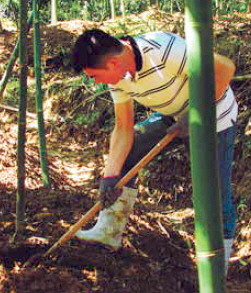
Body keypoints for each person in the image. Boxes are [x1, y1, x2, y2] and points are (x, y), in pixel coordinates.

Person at [72, 29, 238, 273]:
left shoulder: (162, 48)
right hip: (174, 116)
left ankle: (216, 270)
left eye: (95, 76)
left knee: (215, 194)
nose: (97, 82)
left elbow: (224, 68)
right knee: (128, 153)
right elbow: (123, 127)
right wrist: (110, 176)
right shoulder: (118, 77)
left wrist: (196, 112)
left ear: (113, 62)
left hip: (214, 116)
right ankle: (108, 231)